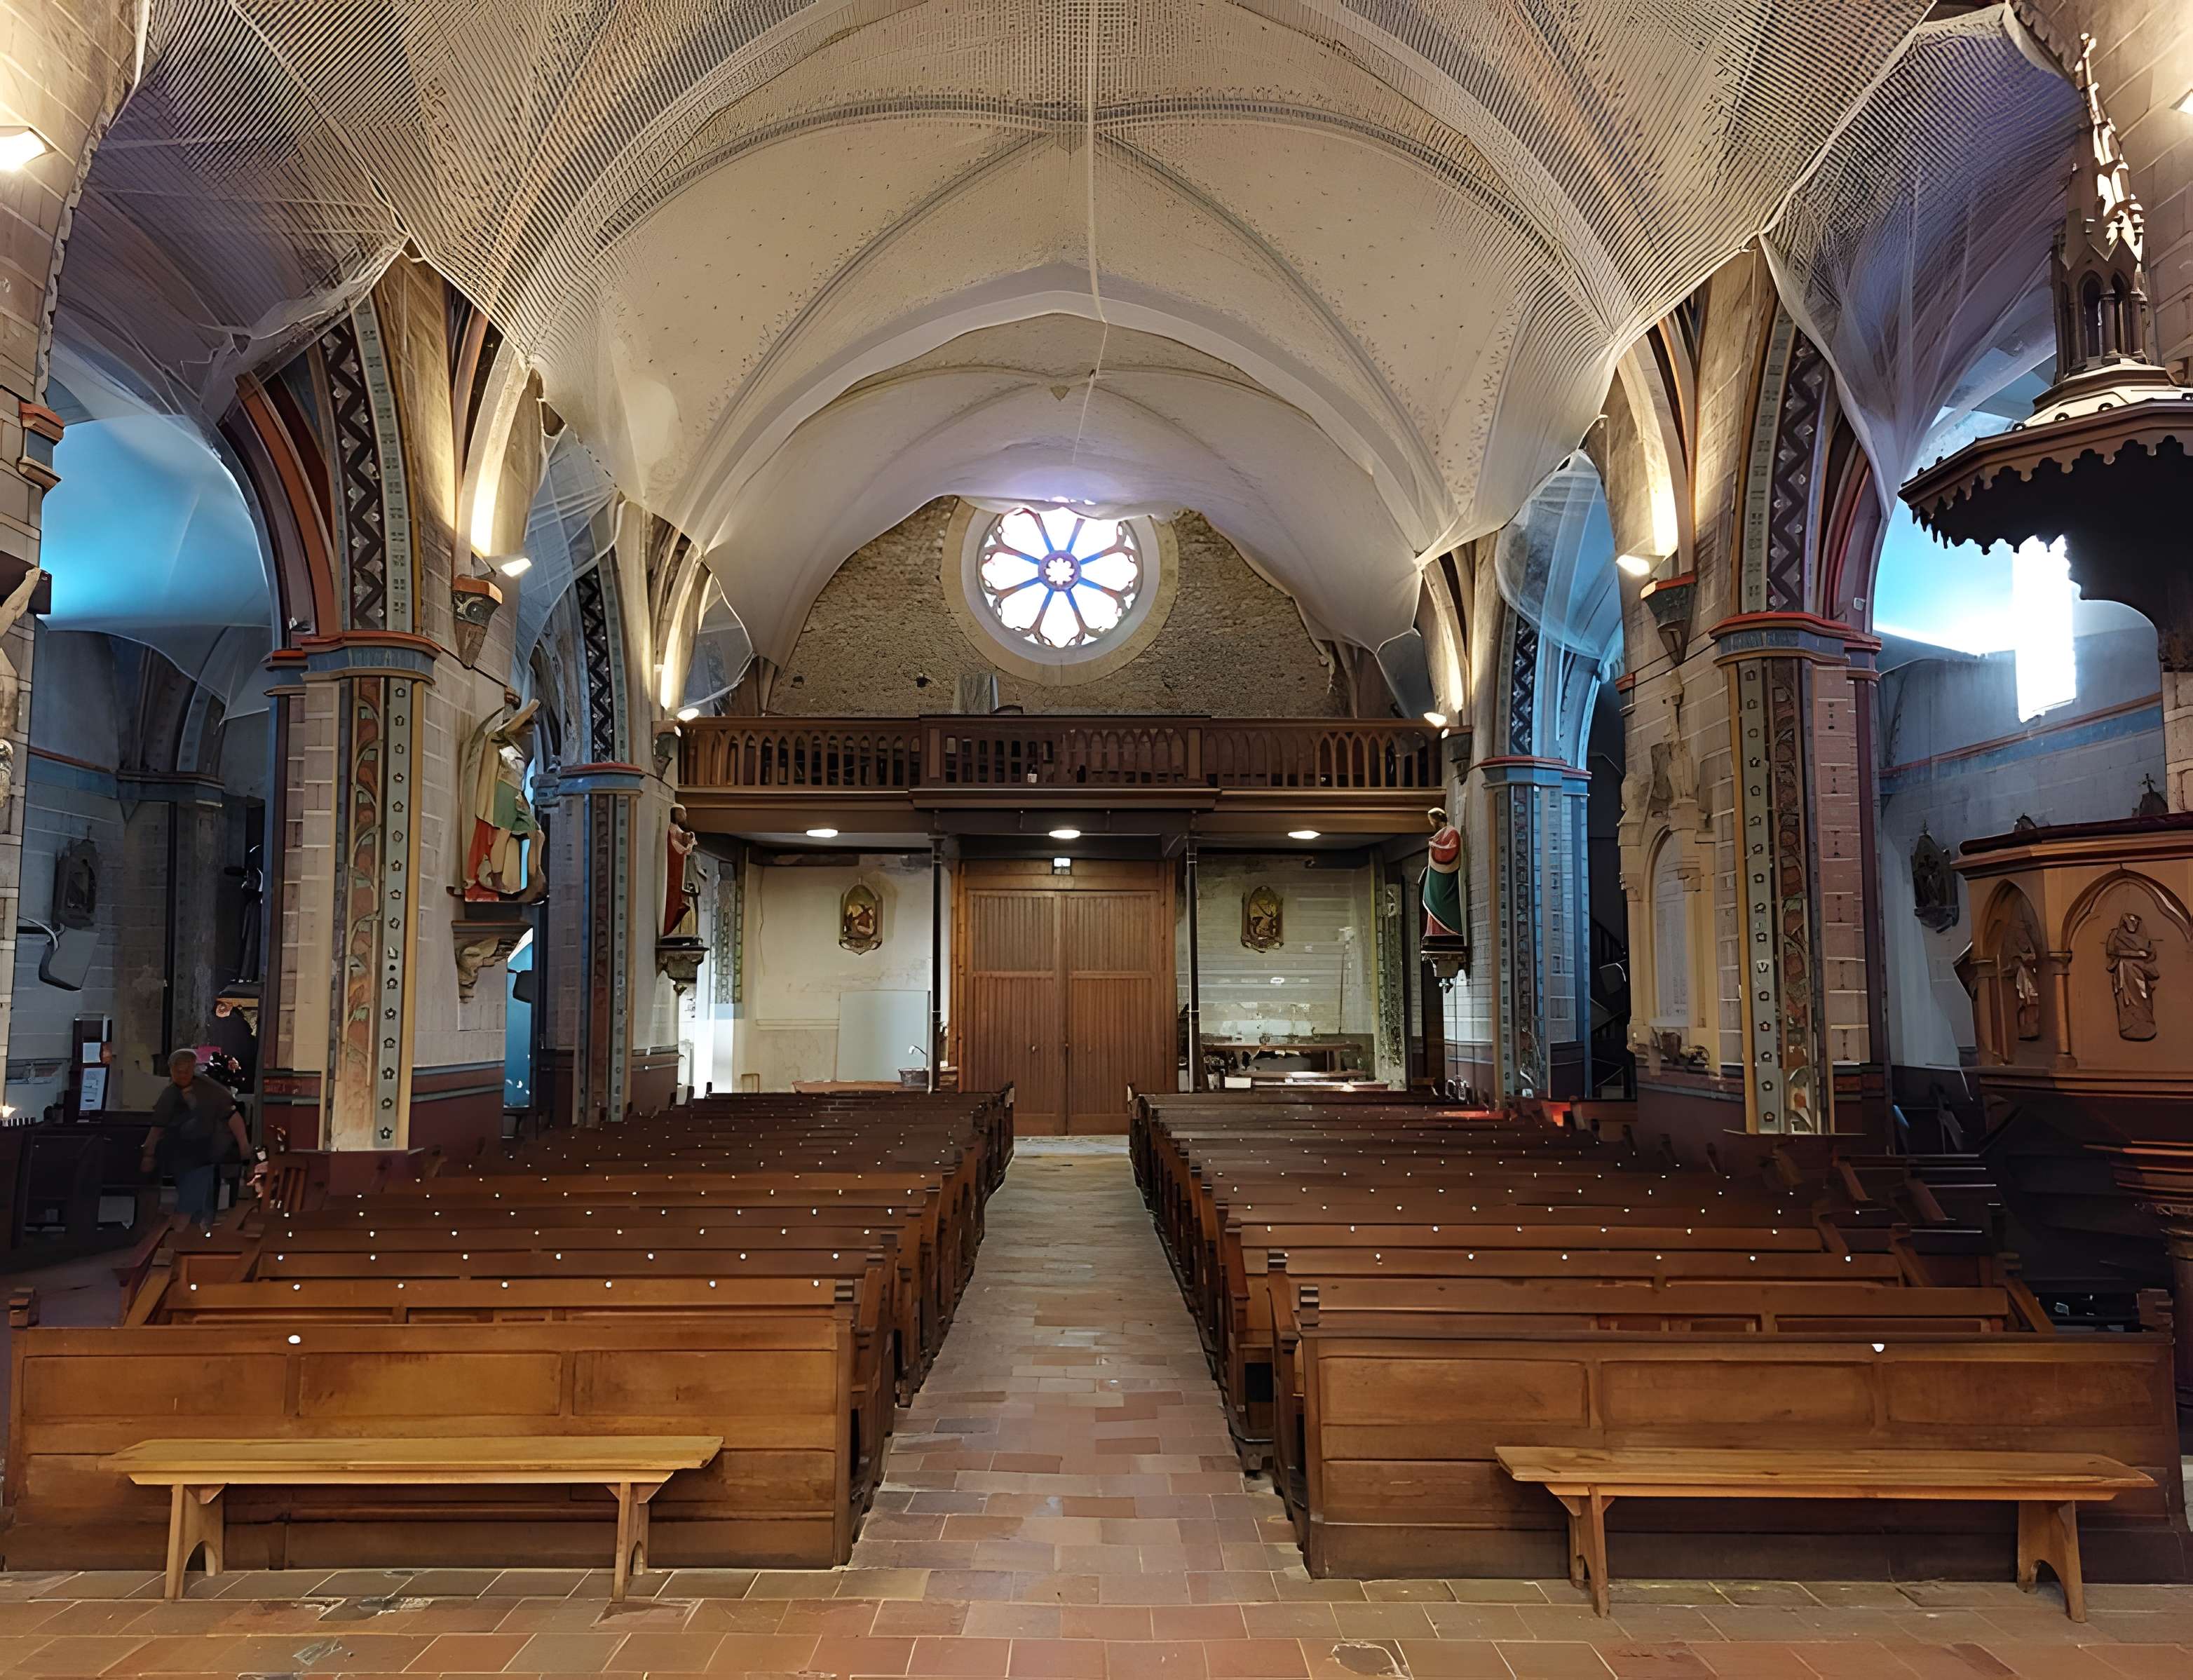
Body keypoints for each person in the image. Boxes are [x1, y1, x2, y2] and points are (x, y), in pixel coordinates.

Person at [140, 1050, 257, 1227]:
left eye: (186, 1071)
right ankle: (191, 1235)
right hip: (180, 1156)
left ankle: (190, 1236)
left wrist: (245, 1149)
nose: (182, 1075)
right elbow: (158, 1127)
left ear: (193, 1068)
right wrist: (148, 1154)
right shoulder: (170, 1094)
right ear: (171, 1071)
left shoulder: (210, 1089)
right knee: (194, 1201)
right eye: (178, 1071)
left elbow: (232, 1117)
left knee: (195, 1202)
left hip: (206, 1154)